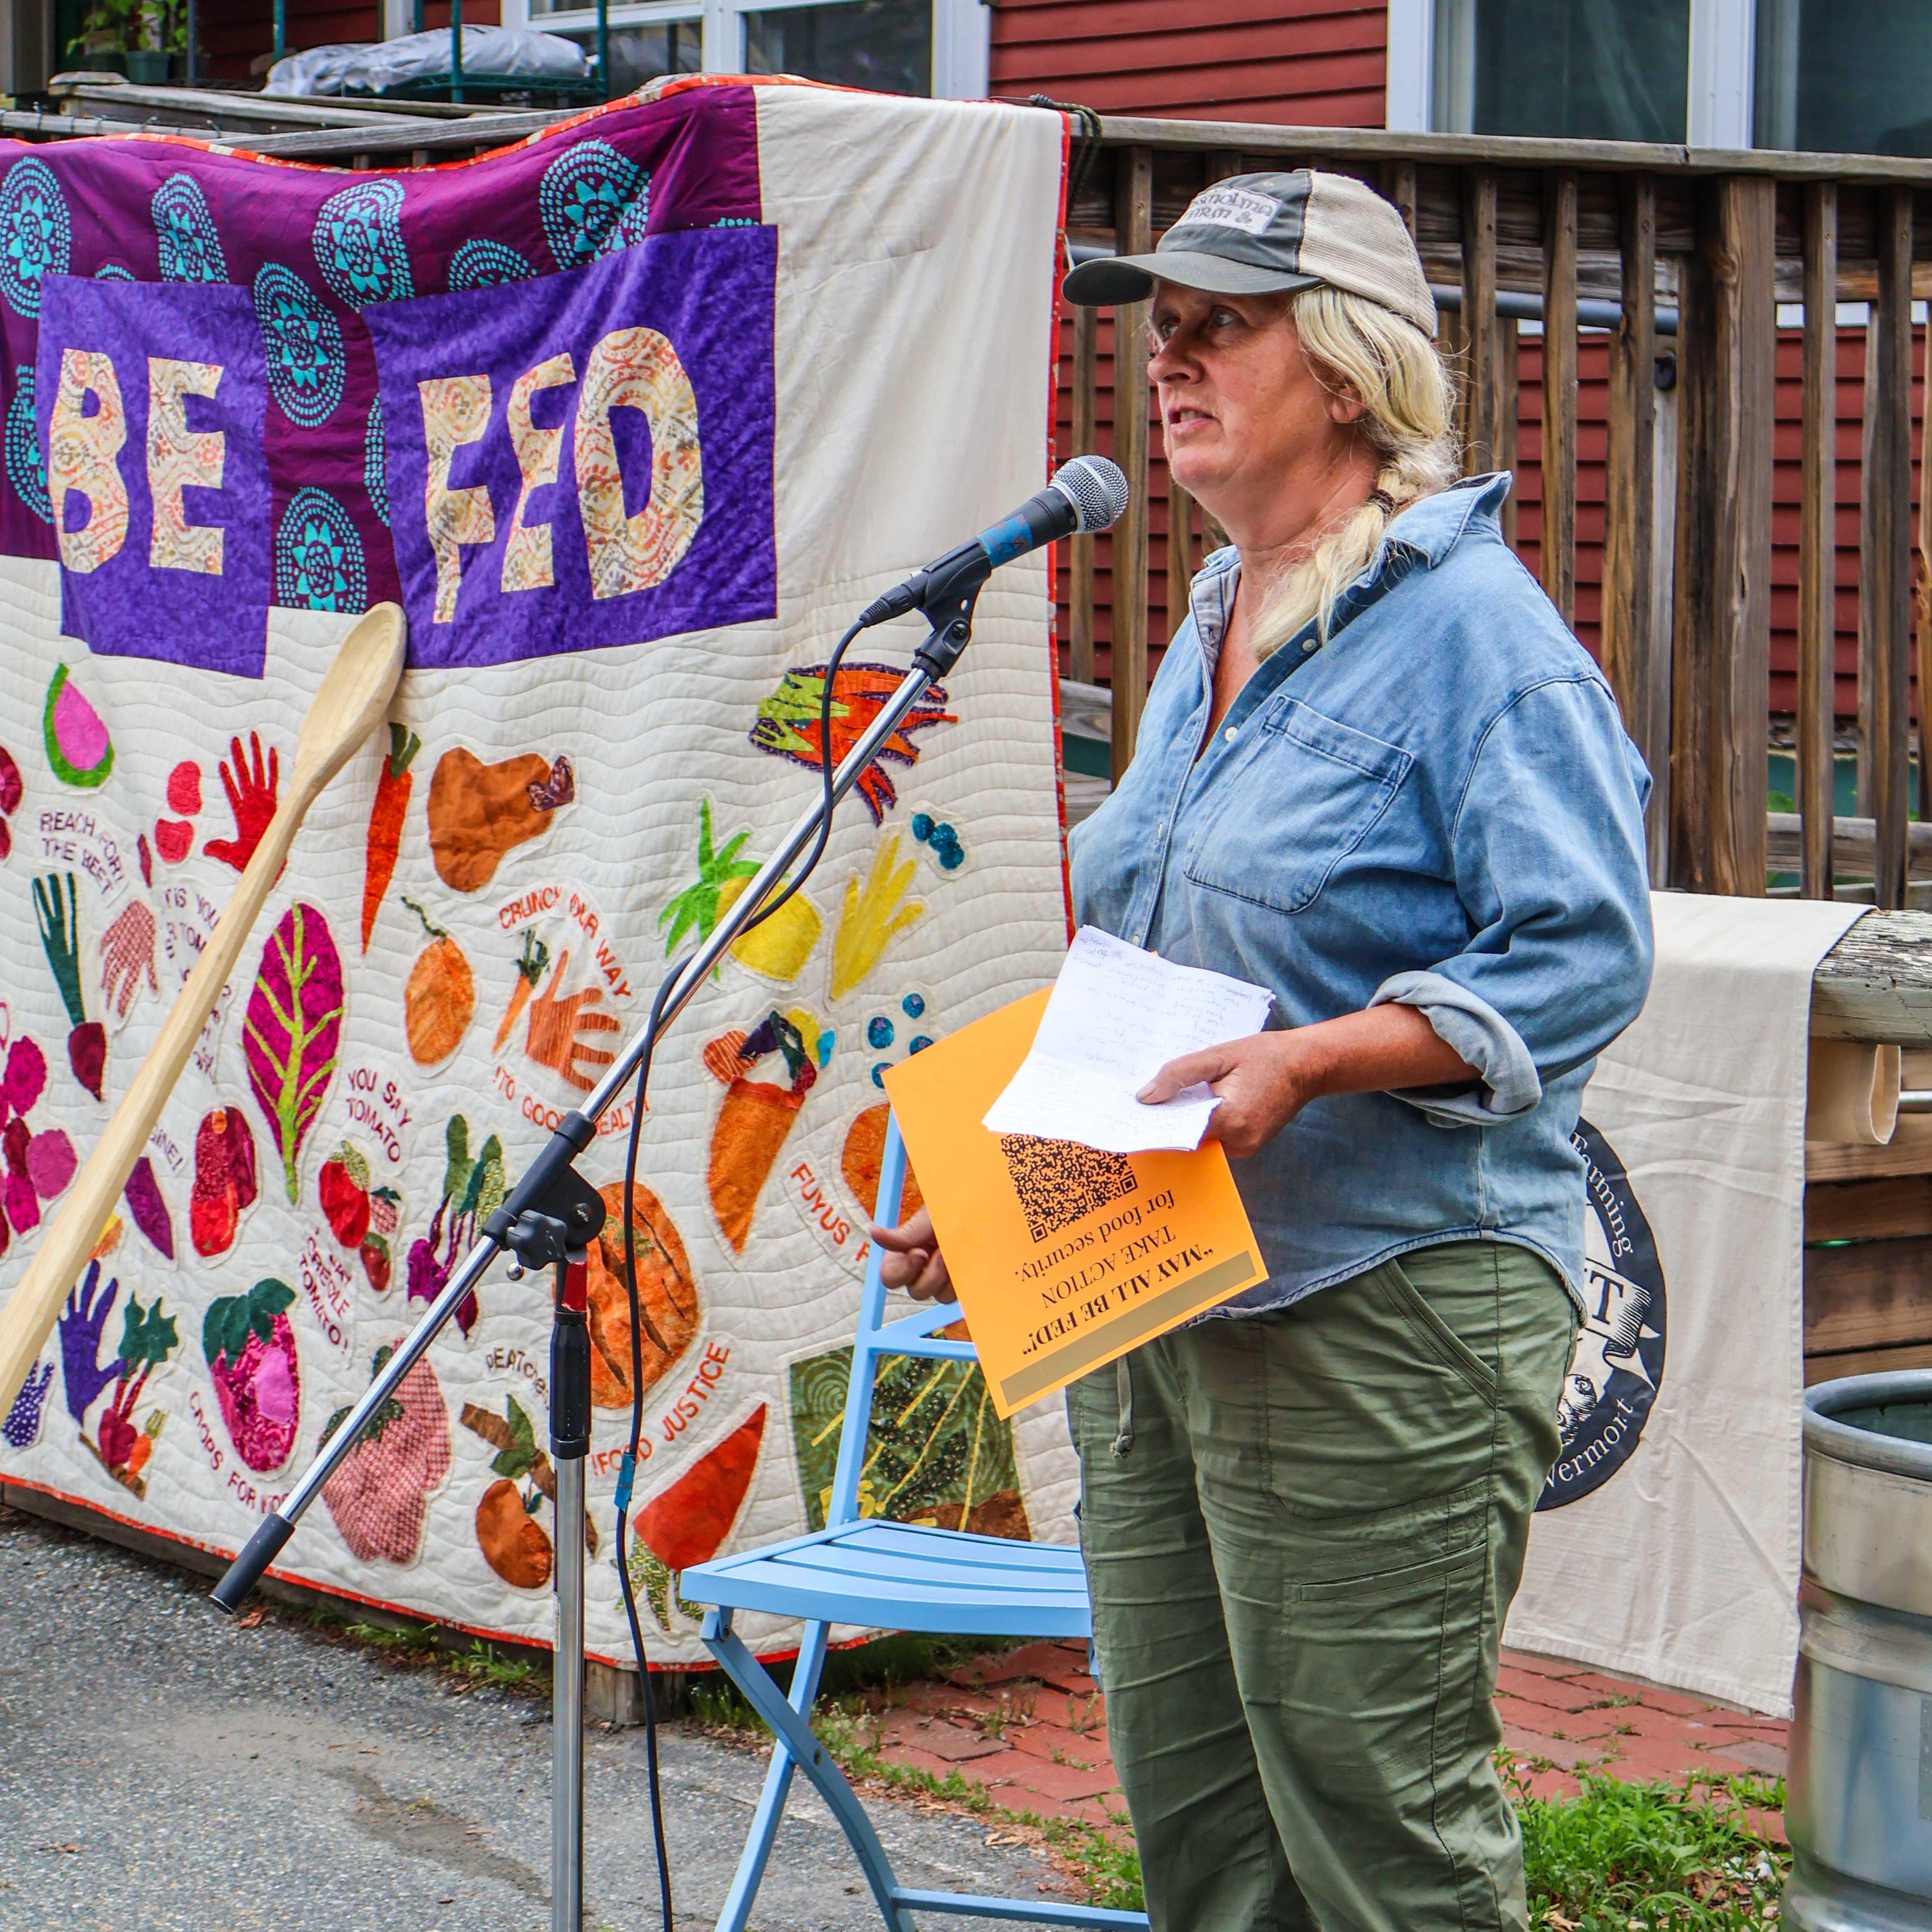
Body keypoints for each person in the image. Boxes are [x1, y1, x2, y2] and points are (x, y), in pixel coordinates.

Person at [871, 169, 1655, 1932]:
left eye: (1225, 320)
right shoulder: (1221, 615)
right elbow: (1160, 963)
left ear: (1355, 373)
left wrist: (1316, 1062)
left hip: (1386, 1305)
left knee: (1381, 1831)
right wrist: (1012, 1181)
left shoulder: (1484, 645)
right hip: (1158, 1289)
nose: (1173, 354)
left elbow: (1585, 953)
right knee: (1201, 1826)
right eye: (1161, 325)